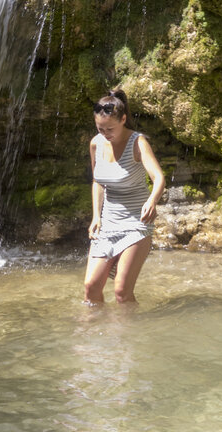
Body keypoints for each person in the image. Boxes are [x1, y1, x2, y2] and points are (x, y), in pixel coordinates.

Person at [83, 88, 165, 304]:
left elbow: (158, 177)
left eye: (109, 128)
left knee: (121, 291)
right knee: (91, 287)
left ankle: (127, 335)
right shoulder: (96, 143)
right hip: (107, 222)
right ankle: (95, 333)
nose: (105, 133)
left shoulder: (137, 143)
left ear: (123, 119)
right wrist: (96, 217)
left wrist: (152, 200)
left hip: (136, 223)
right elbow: (97, 181)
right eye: (100, 128)